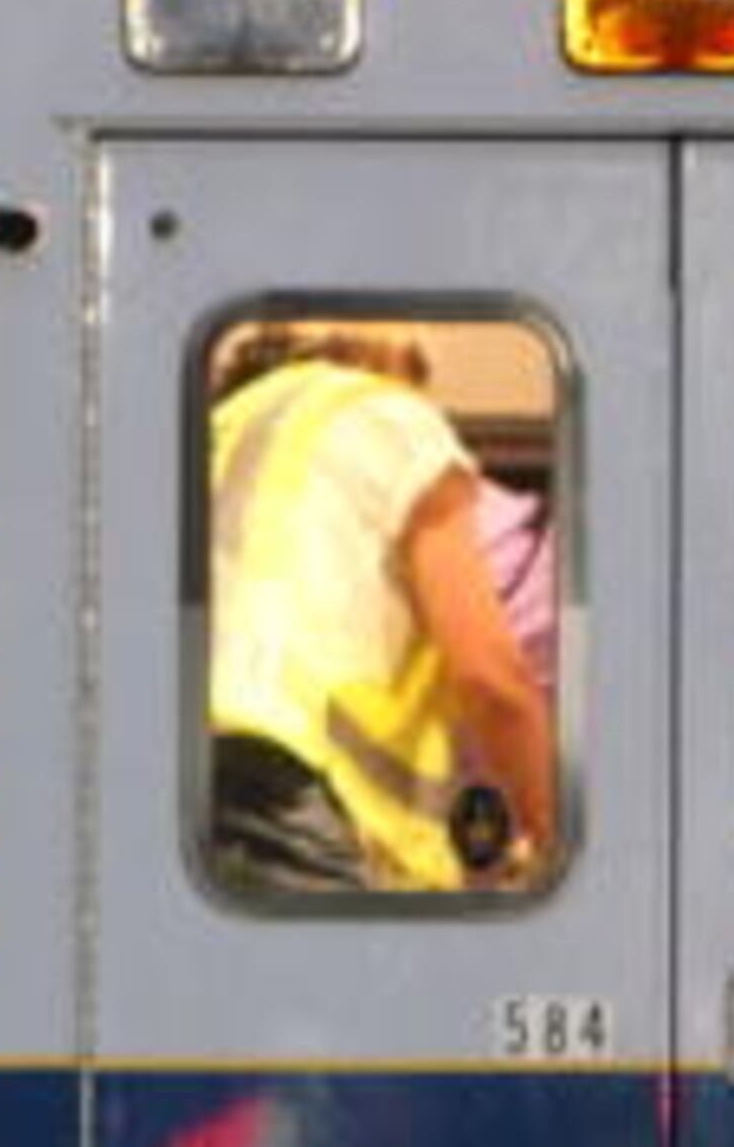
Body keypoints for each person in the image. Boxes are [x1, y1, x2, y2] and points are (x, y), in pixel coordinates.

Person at [204, 328, 555, 894]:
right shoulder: (385, 413)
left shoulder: (217, 435)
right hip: (286, 795)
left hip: (173, 795)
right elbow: (493, 682)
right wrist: (564, 854)